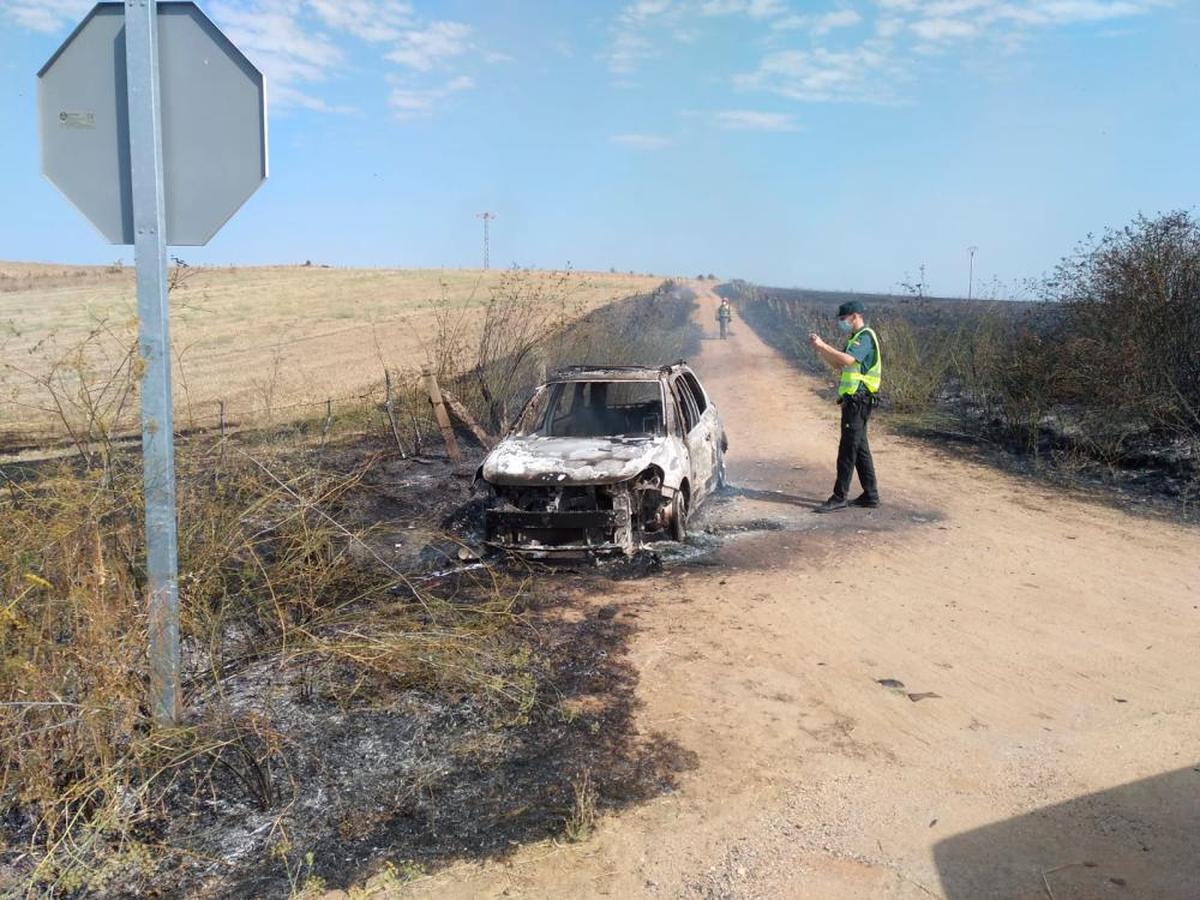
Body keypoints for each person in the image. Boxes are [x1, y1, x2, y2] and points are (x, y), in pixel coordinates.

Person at [807, 300, 882, 512]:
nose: (841, 323)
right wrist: (820, 349)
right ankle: (871, 495)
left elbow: (848, 361)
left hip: (858, 401)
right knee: (860, 449)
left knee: (847, 450)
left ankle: (839, 497)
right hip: (854, 401)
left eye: (843, 320)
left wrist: (823, 345)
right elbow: (838, 363)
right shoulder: (855, 338)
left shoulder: (865, 337)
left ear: (855, 317)